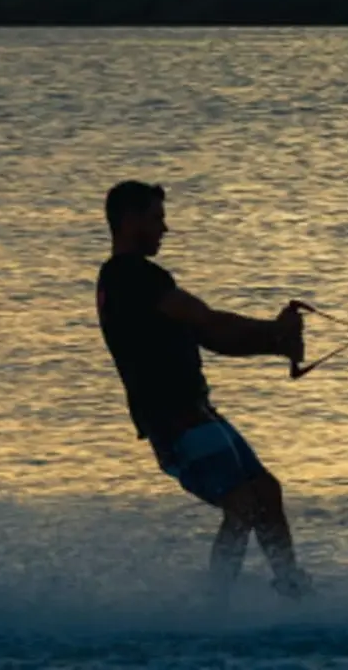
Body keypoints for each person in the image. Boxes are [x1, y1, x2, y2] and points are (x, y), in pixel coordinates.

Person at [95, 180, 312, 600]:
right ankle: (216, 604)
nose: (165, 228)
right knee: (242, 503)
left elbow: (215, 339)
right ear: (129, 220)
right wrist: (276, 331)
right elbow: (209, 321)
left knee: (265, 492)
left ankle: (291, 589)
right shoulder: (132, 277)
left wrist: (275, 343)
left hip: (198, 413)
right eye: (157, 218)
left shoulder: (132, 280)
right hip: (175, 422)